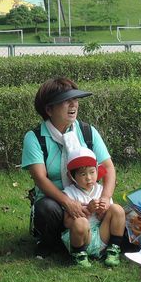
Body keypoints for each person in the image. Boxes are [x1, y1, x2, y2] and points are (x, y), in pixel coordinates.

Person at [21, 78, 116, 256]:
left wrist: (105, 198)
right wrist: (68, 202)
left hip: (89, 197)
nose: (73, 104)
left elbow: (108, 168)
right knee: (47, 209)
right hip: (57, 202)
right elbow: (40, 178)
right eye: (66, 101)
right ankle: (53, 241)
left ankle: (94, 240)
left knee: (118, 212)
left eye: (75, 99)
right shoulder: (34, 138)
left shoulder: (88, 132)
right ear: (49, 109)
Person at [60, 149, 126, 268]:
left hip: (101, 235)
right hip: (81, 238)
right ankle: (79, 254)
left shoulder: (101, 190)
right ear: (72, 176)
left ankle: (113, 250)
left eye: (92, 172)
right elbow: (67, 222)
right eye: (83, 174)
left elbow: (109, 217)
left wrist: (103, 213)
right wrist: (88, 211)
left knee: (117, 209)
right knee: (81, 222)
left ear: (97, 170)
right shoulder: (70, 193)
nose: (89, 178)